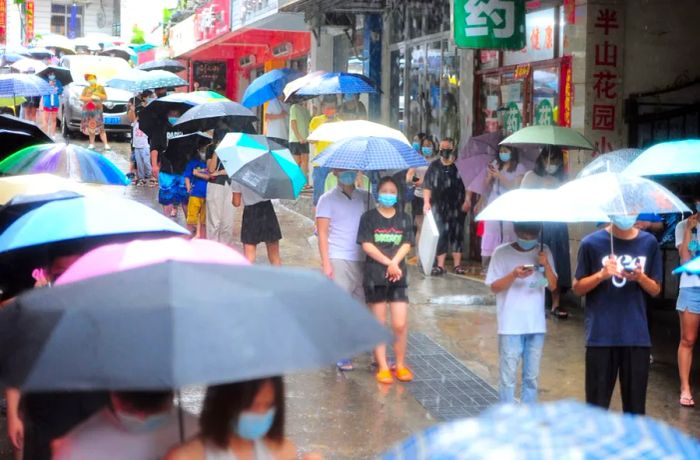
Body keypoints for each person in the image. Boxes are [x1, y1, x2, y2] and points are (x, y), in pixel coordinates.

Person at [5, 249, 109, 460]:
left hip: (93, 416)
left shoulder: (104, 310)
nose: (69, 278)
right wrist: (14, 415)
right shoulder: (34, 310)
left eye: (76, 270)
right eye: (61, 273)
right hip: (46, 416)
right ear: (50, 274)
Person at [573, 213, 662, 415]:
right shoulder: (590, 243)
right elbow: (577, 288)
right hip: (600, 337)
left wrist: (640, 277)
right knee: (596, 407)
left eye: (631, 210)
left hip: (636, 337)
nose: (626, 214)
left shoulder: (649, 243)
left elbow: (656, 289)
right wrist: (601, 275)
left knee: (635, 409)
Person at [485, 222, 557, 403]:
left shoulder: (544, 251)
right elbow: (494, 287)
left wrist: (545, 265)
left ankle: (528, 417)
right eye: (525, 236)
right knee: (507, 378)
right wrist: (514, 275)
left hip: (536, 325)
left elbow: (552, 285)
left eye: (532, 236)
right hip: (510, 326)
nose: (528, 240)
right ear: (516, 231)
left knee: (531, 378)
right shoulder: (501, 253)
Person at [358, 177, 414, 384]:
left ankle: (399, 364)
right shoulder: (368, 218)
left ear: (397, 195)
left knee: (400, 324)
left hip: (399, 275)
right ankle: (382, 365)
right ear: (377, 193)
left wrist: (395, 263)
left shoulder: (405, 218)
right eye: (385, 191)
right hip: (375, 275)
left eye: (392, 191)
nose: (388, 194)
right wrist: (387, 262)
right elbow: (366, 245)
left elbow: (407, 243)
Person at [316, 169, 372, 371]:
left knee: (362, 305)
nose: (347, 173)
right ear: (335, 172)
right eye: (342, 169)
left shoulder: (366, 198)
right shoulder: (326, 199)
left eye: (351, 169)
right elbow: (322, 234)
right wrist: (326, 263)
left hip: (363, 258)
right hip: (339, 257)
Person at [165, 378, 297, 460]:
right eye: (252, 406)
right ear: (226, 403)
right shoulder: (185, 457)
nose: (261, 413)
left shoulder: (284, 451)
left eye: (269, 405)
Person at [52, 391, 198, 460]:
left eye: (154, 410)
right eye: (132, 410)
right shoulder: (76, 446)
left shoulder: (199, 434)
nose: (142, 418)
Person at [521, 146, 571, 318]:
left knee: (557, 261)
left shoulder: (562, 180)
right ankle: (536, 297)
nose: (552, 164)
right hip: (535, 225)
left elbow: (568, 202)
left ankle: (556, 301)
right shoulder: (530, 177)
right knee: (536, 263)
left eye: (556, 160)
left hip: (556, 225)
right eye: (549, 159)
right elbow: (521, 200)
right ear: (541, 159)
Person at [473, 146, 526, 273]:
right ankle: (488, 265)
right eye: (501, 151)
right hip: (493, 202)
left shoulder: (519, 167)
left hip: (509, 203)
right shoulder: (495, 164)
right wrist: (490, 177)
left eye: (506, 151)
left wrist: (500, 175)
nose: (503, 154)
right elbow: (485, 186)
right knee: (491, 231)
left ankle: (508, 263)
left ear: (512, 152)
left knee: (508, 230)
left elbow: (515, 187)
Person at [422, 138, 469, 276]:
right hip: (438, 205)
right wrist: (426, 202)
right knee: (441, 234)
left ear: (453, 148)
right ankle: (441, 266)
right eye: (442, 148)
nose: (444, 150)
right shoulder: (434, 166)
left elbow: (468, 184)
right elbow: (427, 185)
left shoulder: (460, 166)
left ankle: (457, 265)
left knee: (457, 234)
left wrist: (467, 200)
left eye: (447, 147)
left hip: (457, 205)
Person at [676, 190, 700, 408]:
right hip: (692, 288)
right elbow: (684, 258)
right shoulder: (682, 226)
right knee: (688, 339)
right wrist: (689, 232)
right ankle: (685, 387)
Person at [231, 182, 282, 265]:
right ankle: (278, 277)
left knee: (249, 258)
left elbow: (236, 203)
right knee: (275, 257)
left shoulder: (237, 176)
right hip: (267, 210)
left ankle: (250, 277)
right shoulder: (265, 171)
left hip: (250, 213)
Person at [153, 111, 188, 219]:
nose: (174, 116)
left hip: (183, 168)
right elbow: (154, 148)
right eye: (172, 114)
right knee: (166, 197)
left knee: (185, 198)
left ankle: (190, 225)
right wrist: (154, 165)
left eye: (176, 114)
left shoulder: (187, 128)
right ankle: (167, 223)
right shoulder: (161, 129)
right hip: (166, 169)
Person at [406, 134, 437, 252]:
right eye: (424, 146)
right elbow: (408, 177)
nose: (426, 148)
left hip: (434, 198)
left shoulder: (436, 161)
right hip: (418, 196)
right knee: (420, 227)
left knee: (432, 228)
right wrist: (417, 181)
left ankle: (430, 253)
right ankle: (419, 254)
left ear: (434, 147)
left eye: (429, 146)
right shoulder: (417, 160)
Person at [309, 96, 341, 207]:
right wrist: (323, 127)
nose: (330, 111)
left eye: (332, 108)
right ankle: (317, 221)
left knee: (335, 192)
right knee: (319, 194)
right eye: (327, 108)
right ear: (323, 109)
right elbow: (312, 140)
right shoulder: (316, 121)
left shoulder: (341, 123)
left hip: (335, 162)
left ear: (336, 109)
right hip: (320, 163)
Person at [206, 134, 236, 246]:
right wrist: (216, 151)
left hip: (231, 185)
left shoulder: (233, 149)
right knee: (214, 221)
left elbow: (234, 169)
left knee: (227, 222)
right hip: (215, 185)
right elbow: (211, 169)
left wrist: (219, 172)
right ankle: (212, 249)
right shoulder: (211, 148)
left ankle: (224, 250)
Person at [79, 73, 111, 151]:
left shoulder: (100, 87)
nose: (91, 80)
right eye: (89, 79)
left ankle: (106, 144)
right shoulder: (86, 88)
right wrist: (90, 98)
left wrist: (98, 94)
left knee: (101, 127)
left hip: (98, 109)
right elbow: (81, 97)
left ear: (95, 79)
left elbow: (105, 97)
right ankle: (91, 144)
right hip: (89, 109)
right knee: (91, 127)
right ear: (87, 81)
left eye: (92, 78)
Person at [184, 148, 210, 239]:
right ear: (198, 151)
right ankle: (189, 236)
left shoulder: (209, 164)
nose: (204, 153)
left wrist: (198, 174)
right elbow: (187, 176)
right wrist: (188, 187)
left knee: (204, 219)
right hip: (195, 193)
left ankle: (202, 237)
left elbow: (210, 177)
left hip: (207, 195)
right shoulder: (192, 163)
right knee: (191, 218)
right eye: (202, 151)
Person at [129, 96, 153, 186]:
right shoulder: (135, 123)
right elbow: (133, 117)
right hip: (137, 147)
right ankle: (141, 178)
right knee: (139, 164)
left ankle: (150, 176)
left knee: (146, 162)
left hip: (145, 146)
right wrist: (132, 110)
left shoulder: (147, 123)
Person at [288, 101, 312, 187]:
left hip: (305, 139)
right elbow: (293, 123)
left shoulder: (306, 111)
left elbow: (309, 123)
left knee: (305, 161)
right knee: (297, 162)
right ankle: (295, 183)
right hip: (295, 139)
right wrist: (299, 137)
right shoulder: (294, 107)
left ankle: (302, 183)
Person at [41, 71, 63, 138]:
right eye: (50, 74)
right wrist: (49, 86)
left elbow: (60, 90)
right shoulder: (44, 81)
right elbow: (42, 91)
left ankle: (53, 135)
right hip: (47, 103)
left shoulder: (58, 82)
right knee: (46, 119)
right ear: (48, 74)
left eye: (53, 74)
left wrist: (57, 89)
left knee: (54, 119)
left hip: (55, 103)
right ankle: (45, 135)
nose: (52, 75)